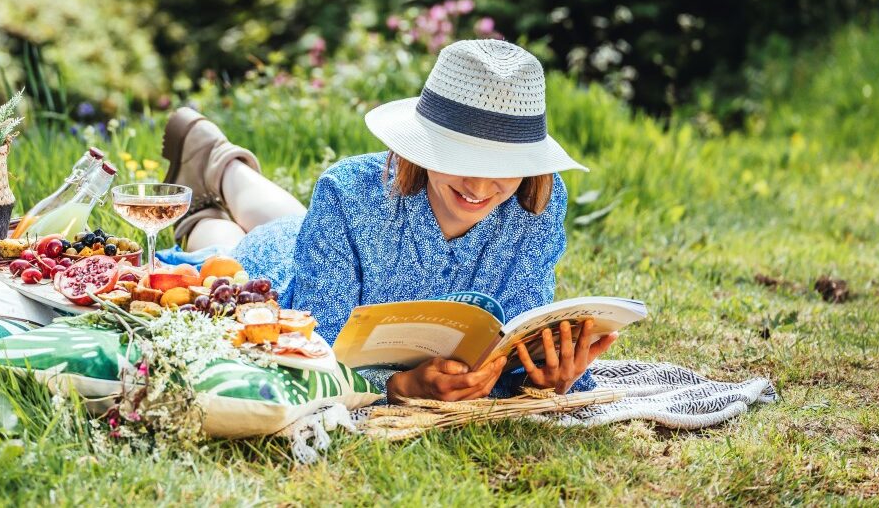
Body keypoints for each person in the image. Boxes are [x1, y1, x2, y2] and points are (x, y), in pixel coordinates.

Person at [159, 39, 618, 401]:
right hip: (284, 272)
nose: (479, 189)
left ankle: (215, 171)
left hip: (315, 232)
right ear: (423, 144)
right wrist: (399, 387)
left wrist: (543, 376)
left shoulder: (538, 202)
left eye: (502, 168)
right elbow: (318, 352)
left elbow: (518, 331)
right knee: (225, 250)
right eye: (459, 158)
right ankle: (220, 169)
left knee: (290, 220)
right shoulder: (348, 191)